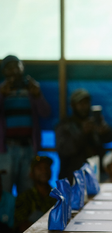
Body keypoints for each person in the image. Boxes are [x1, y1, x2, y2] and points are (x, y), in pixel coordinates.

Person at [0, 55, 51, 195]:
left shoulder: (31, 90)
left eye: (17, 66)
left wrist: (38, 95)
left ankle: (25, 218)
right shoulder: (1, 90)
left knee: (28, 191)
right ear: (4, 72)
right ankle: (6, 218)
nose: (14, 71)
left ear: (22, 69)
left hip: (28, 148)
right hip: (6, 151)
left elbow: (46, 113)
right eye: (9, 68)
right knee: (4, 191)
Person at [55, 88, 112, 183]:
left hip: (96, 174)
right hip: (73, 176)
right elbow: (64, 149)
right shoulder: (65, 126)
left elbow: (110, 138)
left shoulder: (93, 121)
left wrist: (104, 131)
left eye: (86, 103)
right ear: (73, 106)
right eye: (80, 104)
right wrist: (82, 133)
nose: (84, 107)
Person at [14, 156, 56, 233]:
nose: (44, 171)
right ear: (31, 174)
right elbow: (21, 226)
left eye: (47, 168)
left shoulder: (58, 196)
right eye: (39, 168)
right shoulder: (24, 197)